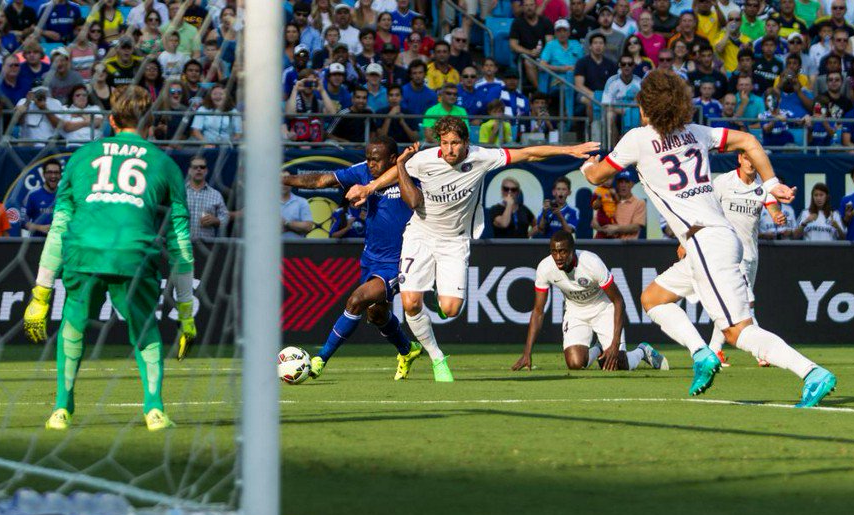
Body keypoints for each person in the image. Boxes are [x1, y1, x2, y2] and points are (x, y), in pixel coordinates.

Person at [580, 69, 837, 408]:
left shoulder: (638, 138)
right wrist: (771, 181)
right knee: (653, 298)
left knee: (737, 332)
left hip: (706, 242)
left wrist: (587, 166)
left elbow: (597, 176)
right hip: (706, 239)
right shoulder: (696, 132)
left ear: (648, 107)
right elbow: (747, 140)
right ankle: (701, 354)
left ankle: (811, 372)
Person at [346, 117, 598, 381]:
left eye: (455, 143)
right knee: (409, 303)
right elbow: (399, 171)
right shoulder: (425, 159)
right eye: (444, 143)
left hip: (455, 240)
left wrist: (568, 150)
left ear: (466, 142)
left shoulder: (482, 157)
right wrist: (369, 187)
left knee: (451, 308)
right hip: (420, 234)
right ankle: (437, 358)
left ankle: (437, 295)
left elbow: (528, 153)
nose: (450, 150)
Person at [22, 85, 194, 432]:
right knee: (145, 331)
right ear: (151, 124)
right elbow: (180, 241)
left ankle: (61, 409)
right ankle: (154, 410)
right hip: (134, 253)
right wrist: (186, 310)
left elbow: (58, 227)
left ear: (112, 120)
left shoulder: (82, 156)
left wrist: (40, 293)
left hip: (84, 251)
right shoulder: (165, 164)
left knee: (73, 326)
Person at [282, 136, 420, 380]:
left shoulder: (411, 173)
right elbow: (323, 180)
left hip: (399, 261)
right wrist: (286, 179)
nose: (370, 164)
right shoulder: (363, 172)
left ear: (391, 159)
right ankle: (407, 350)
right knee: (377, 314)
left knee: (356, 300)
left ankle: (320, 359)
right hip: (370, 258)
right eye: (367, 159)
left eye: (375, 160)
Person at [512, 230, 668, 371]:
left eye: (562, 252)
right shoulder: (545, 268)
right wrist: (527, 352)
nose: (558, 257)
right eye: (554, 252)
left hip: (603, 308)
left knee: (620, 364)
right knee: (574, 363)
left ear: (572, 251)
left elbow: (619, 301)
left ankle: (642, 351)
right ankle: (600, 349)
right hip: (576, 312)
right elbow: (538, 311)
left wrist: (614, 345)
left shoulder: (591, 263)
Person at [705, 152, 785, 367]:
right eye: (747, 158)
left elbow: (773, 207)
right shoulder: (723, 182)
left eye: (755, 159)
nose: (751, 163)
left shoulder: (763, 188)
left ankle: (713, 351)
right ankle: (762, 351)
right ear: (740, 158)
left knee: (732, 306)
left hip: (751, 256)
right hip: (728, 253)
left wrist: (777, 215)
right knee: (746, 303)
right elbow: (705, 209)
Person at [184, 156, 228, 239]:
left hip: (206, 245)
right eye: (195, 167)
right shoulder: (179, 193)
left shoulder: (216, 194)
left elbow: (225, 217)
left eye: (202, 167)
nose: (199, 169)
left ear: (206, 171)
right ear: (189, 171)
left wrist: (216, 220)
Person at [596, 171, 646, 239]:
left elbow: (636, 227)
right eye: (620, 182)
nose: (623, 185)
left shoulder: (639, 203)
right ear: (616, 184)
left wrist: (616, 229)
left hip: (626, 246)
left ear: (632, 184)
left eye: (626, 182)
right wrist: (603, 229)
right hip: (605, 244)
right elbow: (594, 222)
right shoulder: (609, 200)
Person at [22, 159, 62, 237]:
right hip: (37, 243)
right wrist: (39, 228)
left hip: (60, 243)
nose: (53, 176)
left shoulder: (65, 195)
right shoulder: (33, 195)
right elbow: (22, 221)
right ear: (44, 174)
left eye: (56, 173)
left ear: (60, 175)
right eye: (50, 172)